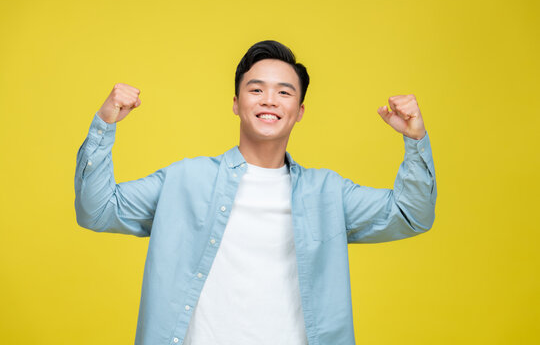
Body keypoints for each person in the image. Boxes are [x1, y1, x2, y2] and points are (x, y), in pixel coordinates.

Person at [74, 40, 437, 345]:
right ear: (236, 103)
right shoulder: (185, 180)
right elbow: (99, 210)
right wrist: (105, 125)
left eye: (284, 92)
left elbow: (410, 215)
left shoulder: (328, 193)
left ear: (299, 111)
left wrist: (415, 140)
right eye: (256, 89)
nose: (269, 100)